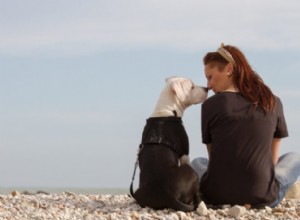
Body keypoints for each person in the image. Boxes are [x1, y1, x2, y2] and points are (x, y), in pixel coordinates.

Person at [191, 43, 300, 208]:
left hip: (216, 195)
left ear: (228, 69)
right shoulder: (272, 101)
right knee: (294, 157)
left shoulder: (210, 105)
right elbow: (273, 160)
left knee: (198, 162)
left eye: (210, 77)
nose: (209, 85)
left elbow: (214, 159)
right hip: (262, 196)